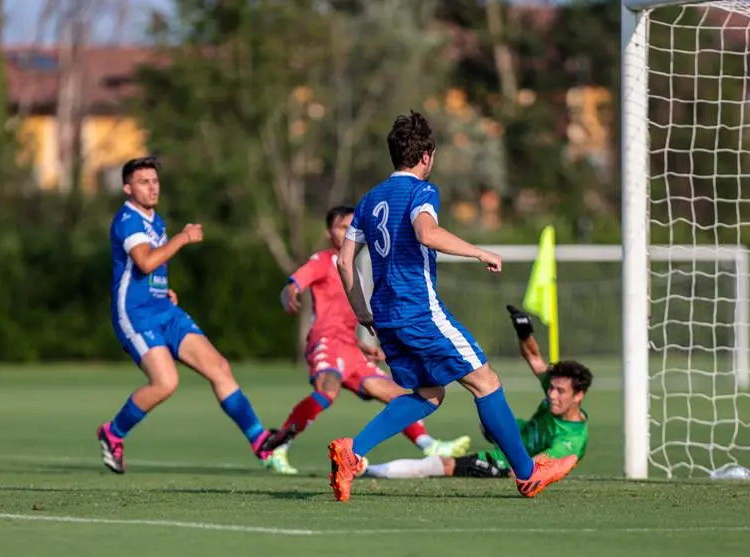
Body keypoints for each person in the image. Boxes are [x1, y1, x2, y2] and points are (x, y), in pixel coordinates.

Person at [331, 110, 577, 501]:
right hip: (419, 311)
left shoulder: (369, 198)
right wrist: (478, 252)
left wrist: (363, 312)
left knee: (430, 394)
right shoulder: (421, 192)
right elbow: (426, 234)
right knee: (486, 382)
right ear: (426, 155)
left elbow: (345, 262)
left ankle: (352, 451)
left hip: (387, 316)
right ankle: (528, 473)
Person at [97, 156, 280, 474]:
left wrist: (161, 289)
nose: (152, 187)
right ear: (127, 188)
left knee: (219, 367)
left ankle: (261, 441)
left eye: (155, 181)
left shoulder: (155, 219)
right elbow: (144, 262)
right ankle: (113, 433)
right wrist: (183, 238)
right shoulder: (128, 219)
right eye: (143, 182)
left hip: (163, 309)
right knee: (165, 383)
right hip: (136, 315)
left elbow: (152, 269)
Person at [262, 205, 471, 474]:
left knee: (396, 395)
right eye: (340, 227)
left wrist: (363, 346)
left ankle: (430, 445)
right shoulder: (324, 260)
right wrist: (290, 293)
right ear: (328, 232)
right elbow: (295, 284)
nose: (347, 232)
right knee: (327, 391)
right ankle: (277, 446)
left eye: (351, 227)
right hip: (326, 342)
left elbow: (343, 316)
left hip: (349, 348)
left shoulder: (353, 268)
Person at [364, 306, 590, 480]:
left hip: (507, 460)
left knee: (443, 465)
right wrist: (524, 331)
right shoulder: (556, 395)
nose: (552, 394)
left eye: (560, 391)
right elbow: (535, 359)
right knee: (489, 417)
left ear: (578, 396)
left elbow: (534, 471)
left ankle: (365, 471)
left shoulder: (572, 441)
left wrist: (511, 465)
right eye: (551, 387)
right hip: (514, 435)